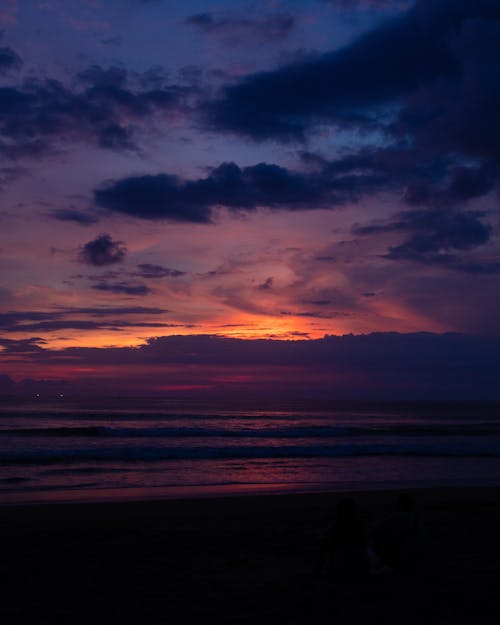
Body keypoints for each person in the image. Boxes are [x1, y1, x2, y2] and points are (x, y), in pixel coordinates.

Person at [318, 498, 369, 581]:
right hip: (360, 569)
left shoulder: (334, 528)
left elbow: (322, 547)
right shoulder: (361, 527)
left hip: (338, 570)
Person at [372, 493, 420, 574]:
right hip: (409, 549)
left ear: (400, 505)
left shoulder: (398, 516)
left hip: (398, 551)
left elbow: (376, 527)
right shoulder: (414, 517)